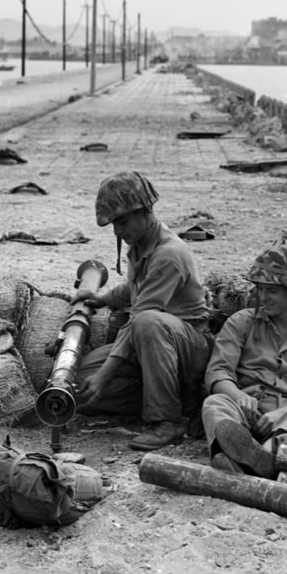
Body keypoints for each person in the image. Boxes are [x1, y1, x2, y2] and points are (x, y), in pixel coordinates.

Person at [72, 171, 212, 451]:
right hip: (150, 345)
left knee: (146, 324)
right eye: (114, 224)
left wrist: (105, 375)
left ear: (145, 212)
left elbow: (141, 317)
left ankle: (168, 421)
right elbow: (133, 290)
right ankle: (174, 397)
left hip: (189, 348)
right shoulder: (140, 246)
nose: (117, 231)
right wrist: (102, 299)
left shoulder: (169, 254)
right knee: (80, 385)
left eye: (121, 221)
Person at [201, 246, 287, 478]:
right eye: (260, 290)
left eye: (272, 291)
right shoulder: (241, 322)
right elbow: (217, 373)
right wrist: (239, 397)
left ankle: (258, 456)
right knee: (215, 403)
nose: (263, 297)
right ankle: (240, 454)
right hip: (245, 415)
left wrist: (278, 417)